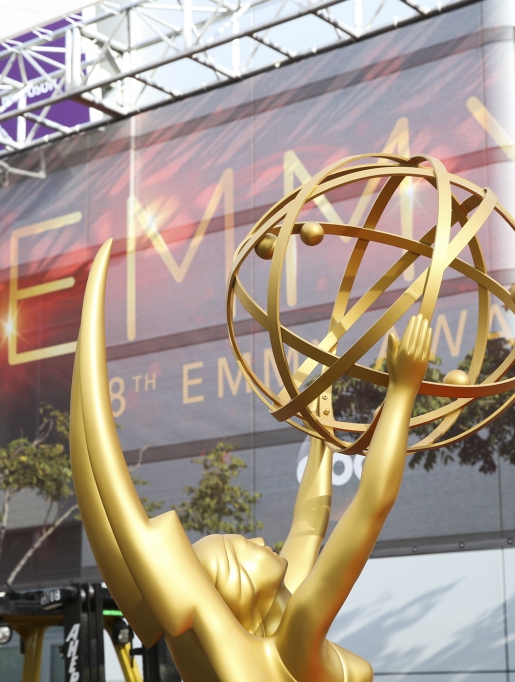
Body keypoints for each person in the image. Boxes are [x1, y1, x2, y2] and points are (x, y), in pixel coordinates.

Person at [71, 239, 434, 682]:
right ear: (241, 593)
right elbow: (372, 505)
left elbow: (308, 523)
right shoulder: (292, 645)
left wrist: (320, 437)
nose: (260, 539)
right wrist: (402, 392)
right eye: (243, 546)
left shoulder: (284, 613)